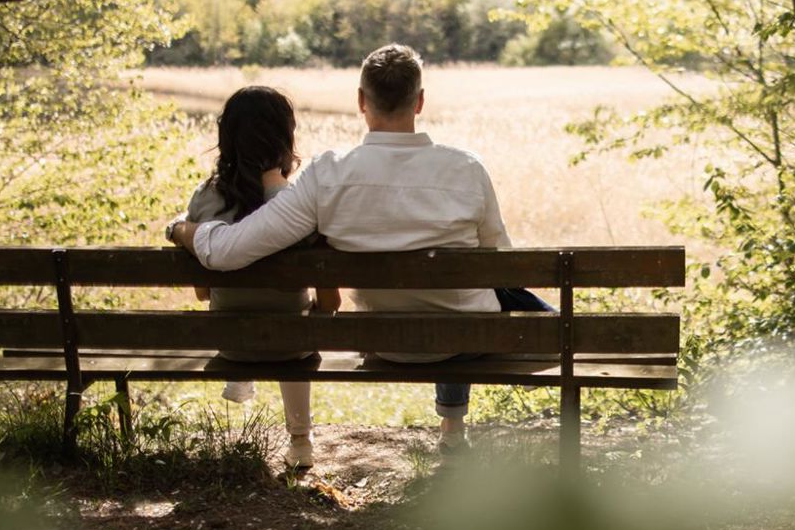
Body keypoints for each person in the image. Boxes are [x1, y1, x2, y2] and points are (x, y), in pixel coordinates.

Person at [167, 44, 547, 452]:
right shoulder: (467, 168)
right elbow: (503, 265)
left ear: (361, 101)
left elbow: (225, 251)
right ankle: (453, 434)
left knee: (443, 306)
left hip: (385, 341)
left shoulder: (326, 176)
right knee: (487, 307)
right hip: (466, 341)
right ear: (419, 101)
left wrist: (182, 230)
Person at [170, 85, 338, 471]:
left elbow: (201, 292)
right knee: (296, 324)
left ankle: (241, 378)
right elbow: (331, 301)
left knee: (255, 317)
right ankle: (300, 441)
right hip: (291, 346)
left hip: (231, 342)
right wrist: (320, 313)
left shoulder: (205, 198)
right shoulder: (298, 206)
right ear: (285, 138)